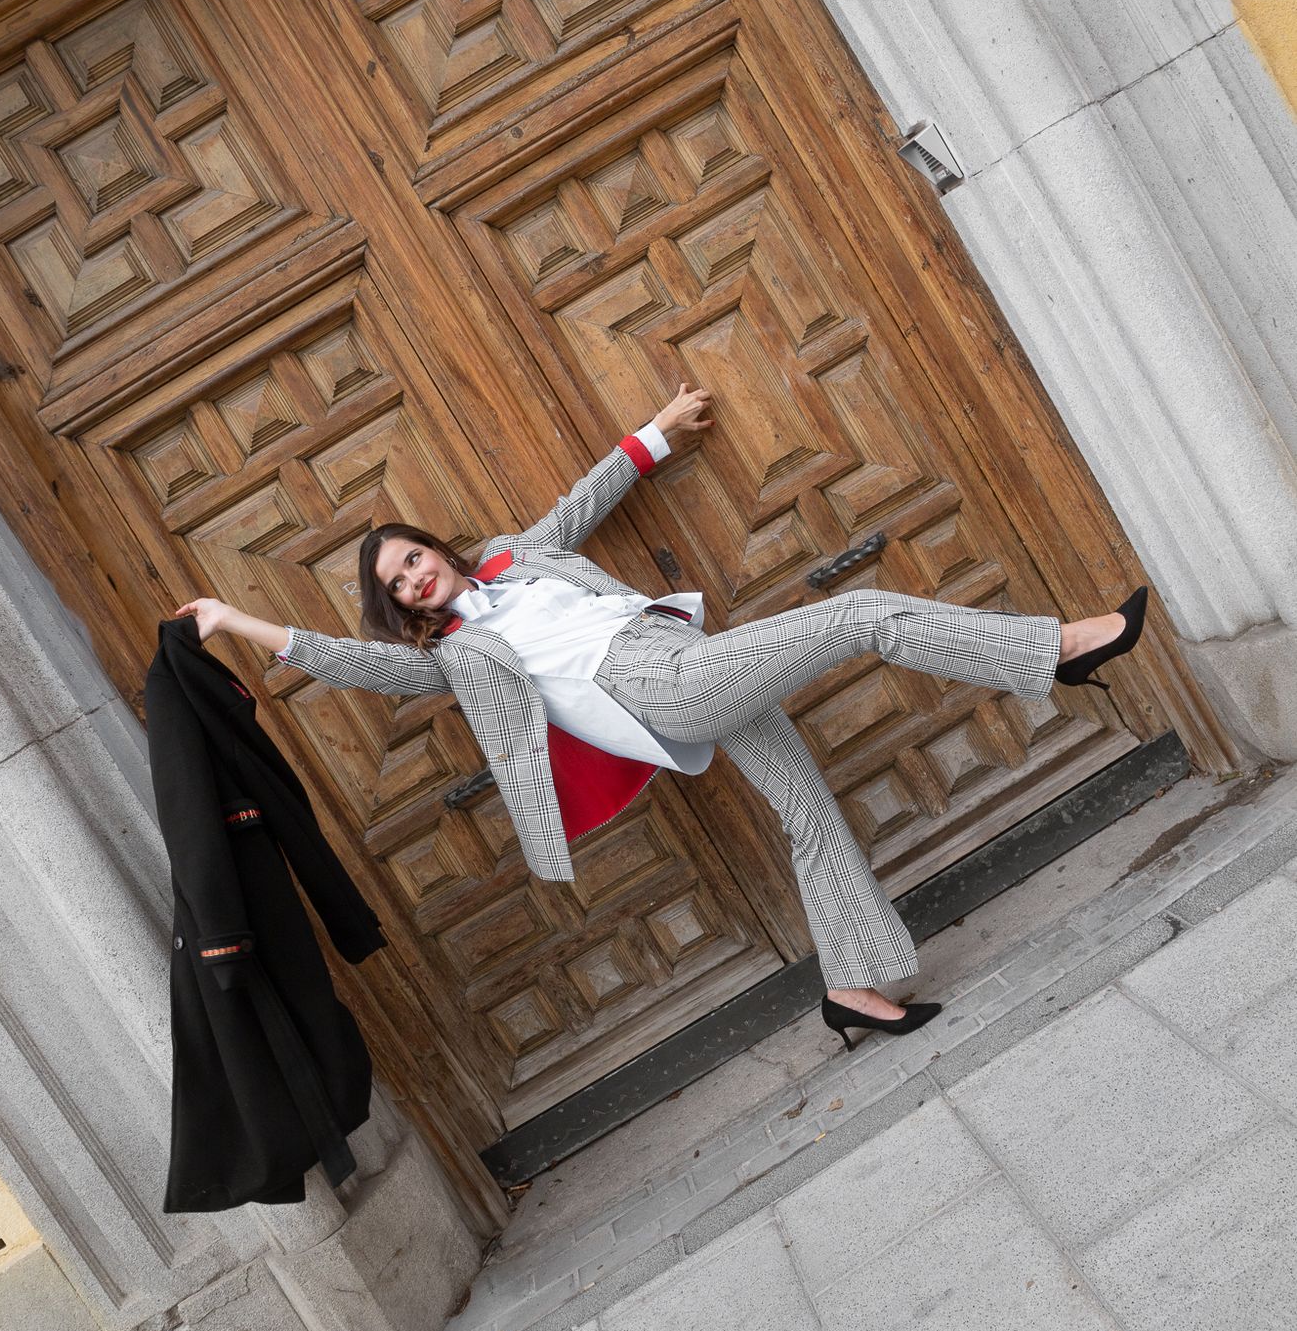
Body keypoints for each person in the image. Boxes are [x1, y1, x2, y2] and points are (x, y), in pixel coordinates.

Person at [174, 385, 1147, 1047]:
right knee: (857, 616)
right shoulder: (452, 657)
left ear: (435, 548)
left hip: (679, 652)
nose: (414, 577)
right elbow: (353, 664)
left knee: (807, 809)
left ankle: (850, 987)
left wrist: (658, 428)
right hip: (657, 687)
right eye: (397, 583)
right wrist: (238, 622)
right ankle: (1054, 650)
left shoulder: (516, 554)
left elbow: (581, 500)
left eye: (413, 557)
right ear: (400, 605)